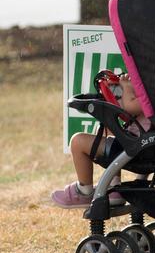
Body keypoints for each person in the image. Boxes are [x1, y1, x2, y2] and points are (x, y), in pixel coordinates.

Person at [50, 73, 146, 208]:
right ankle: (114, 187)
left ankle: (84, 191)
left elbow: (129, 107)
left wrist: (126, 87)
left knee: (77, 141)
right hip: (148, 144)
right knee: (109, 126)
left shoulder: (151, 96)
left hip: (136, 148)